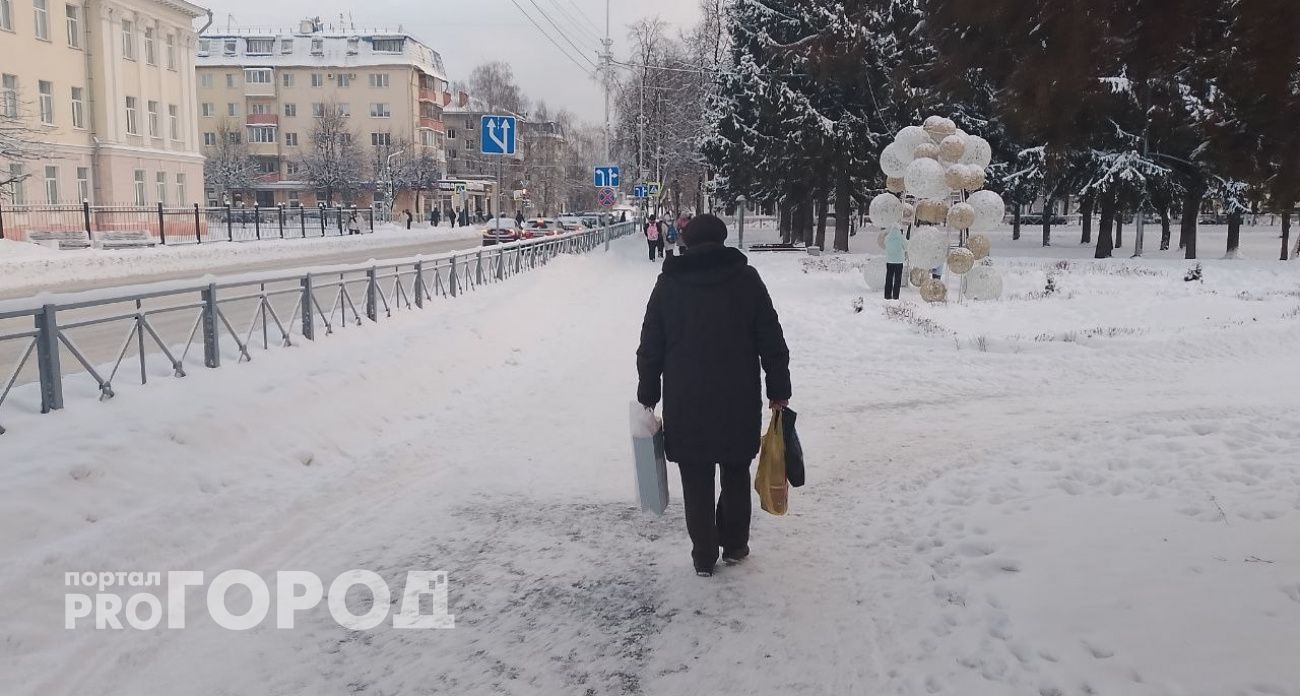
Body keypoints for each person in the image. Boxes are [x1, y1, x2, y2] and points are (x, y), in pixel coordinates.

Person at [636, 214, 792, 578]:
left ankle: (704, 554)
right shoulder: (746, 280)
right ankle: (735, 545)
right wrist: (778, 389)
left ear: (687, 241)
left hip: (686, 399)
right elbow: (771, 339)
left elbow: (650, 345)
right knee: (736, 471)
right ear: (722, 240)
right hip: (736, 397)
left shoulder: (669, 284)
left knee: (696, 477)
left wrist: (648, 394)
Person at [883, 226, 907, 300]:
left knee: (888, 278)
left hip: (889, 261)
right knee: (897, 279)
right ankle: (895, 296)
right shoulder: (901, 237)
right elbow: (906, 246)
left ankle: (887, 295)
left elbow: (885, 246)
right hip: (899, 261)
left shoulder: (887, 238)